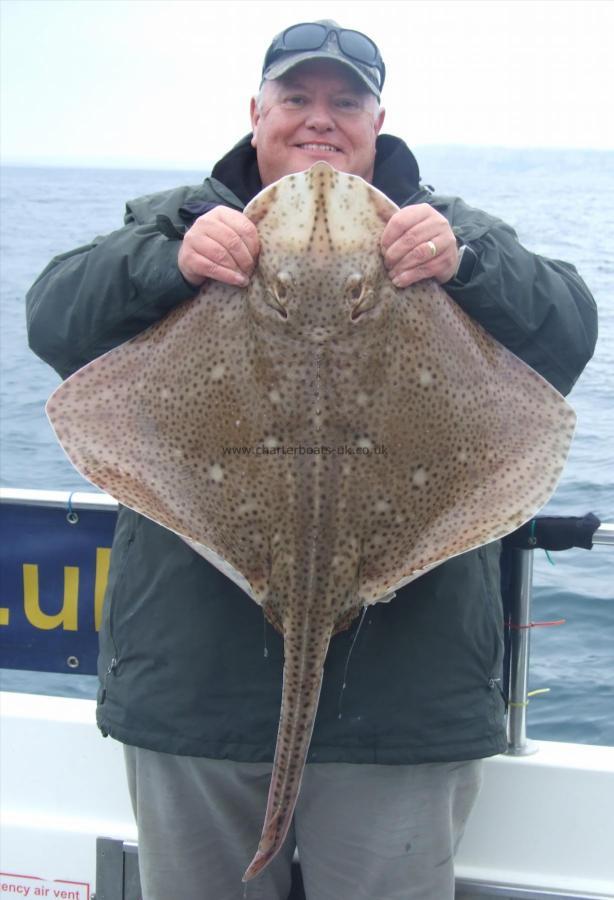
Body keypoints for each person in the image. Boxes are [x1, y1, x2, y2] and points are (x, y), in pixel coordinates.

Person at [26, 20, 597, 900]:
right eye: (297, 98)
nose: (320, 119)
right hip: (196, 697)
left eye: (345, 101)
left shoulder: (447, 230)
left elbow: (570, 331)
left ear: (380, 121)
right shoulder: (173, 223)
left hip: (401, 710)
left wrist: (468, 263)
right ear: (256, 113)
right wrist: (166, 265)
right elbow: (53, 320)